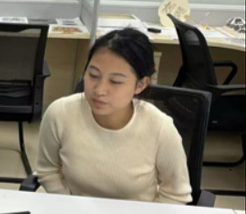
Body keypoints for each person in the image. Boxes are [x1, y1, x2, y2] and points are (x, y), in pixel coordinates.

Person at [35, 28, 192, 204]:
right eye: (93, 75)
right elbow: (48, 171)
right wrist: (69, 206)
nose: (99, 90)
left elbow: (176, 194)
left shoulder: (160, 128)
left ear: (140, 85)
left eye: (116, 81)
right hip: (76, 213)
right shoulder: (60, 114)